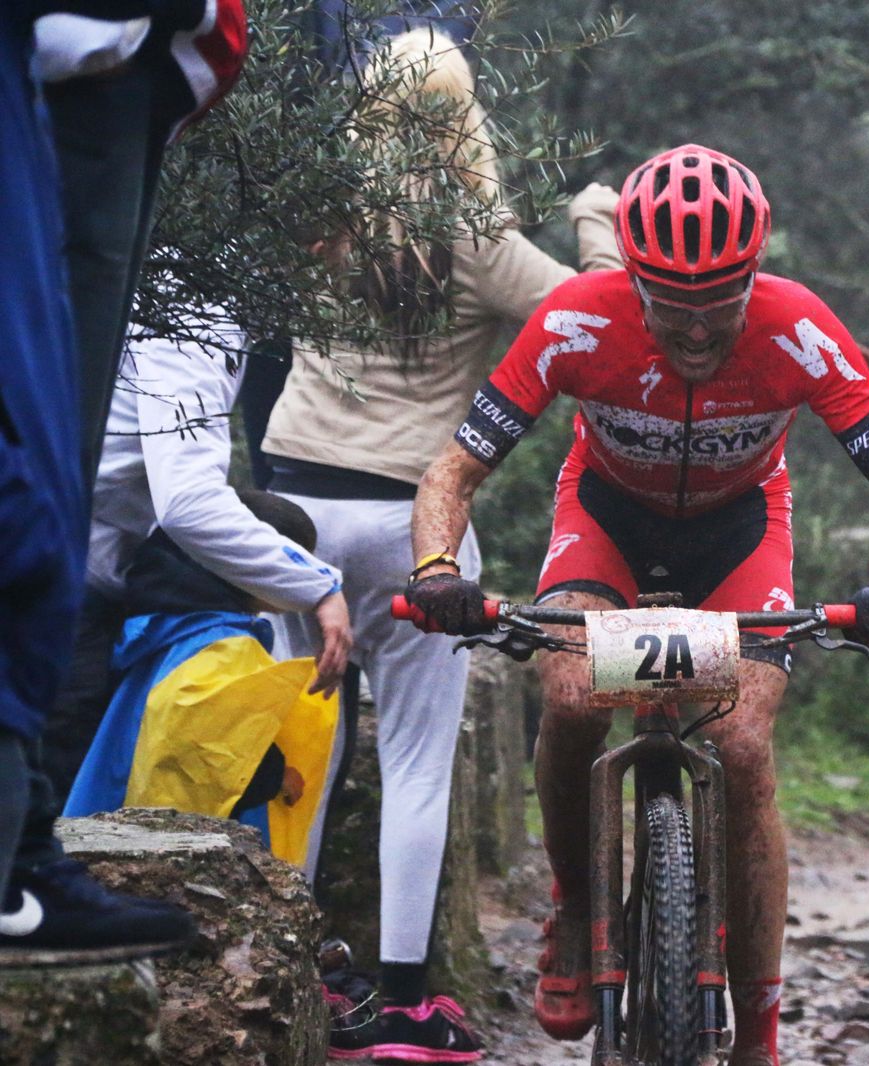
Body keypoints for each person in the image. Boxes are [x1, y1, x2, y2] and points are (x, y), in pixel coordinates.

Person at [403, 143, 869, 1066]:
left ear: (754, 276)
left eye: (720, 305)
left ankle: (758, 1037)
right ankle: (577, 906)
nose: (696, 333)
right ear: (632, 279)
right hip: (607, 519)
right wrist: (435, 569)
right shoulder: (577, 319)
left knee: (742, 745)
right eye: (669, 306)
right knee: (572, 696)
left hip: (740, 532)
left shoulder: (800, 328)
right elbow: (452, 471)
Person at [256, 28, 622, 1061]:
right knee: (418, 763)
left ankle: (290, 973)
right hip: (411, 520)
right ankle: (409, 1007)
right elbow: (598, 321)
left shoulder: (318, 216)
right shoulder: (479, 241)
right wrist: (597, 221)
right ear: (467, 119)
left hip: (290, 513)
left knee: (300, 746)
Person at [1, 1, 211, 964]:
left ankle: (26, 845)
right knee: (35, 483)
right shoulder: (208, 308)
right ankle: (21, 853)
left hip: (120, 72)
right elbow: (188, 496)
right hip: (84, 66)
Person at [41, 319, 351, 797]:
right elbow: (204, 740)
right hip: (65, 573)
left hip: (67, 556)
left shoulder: (149, 616)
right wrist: (320, 587)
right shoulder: (196, 325)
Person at [65, 492, 341, 870]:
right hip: (167, 855)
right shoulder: (224, 647)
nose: (300, 579)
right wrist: (273, 776)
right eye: (291, 562)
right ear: (249, 562)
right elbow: (202, 745)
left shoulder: (164, 620)